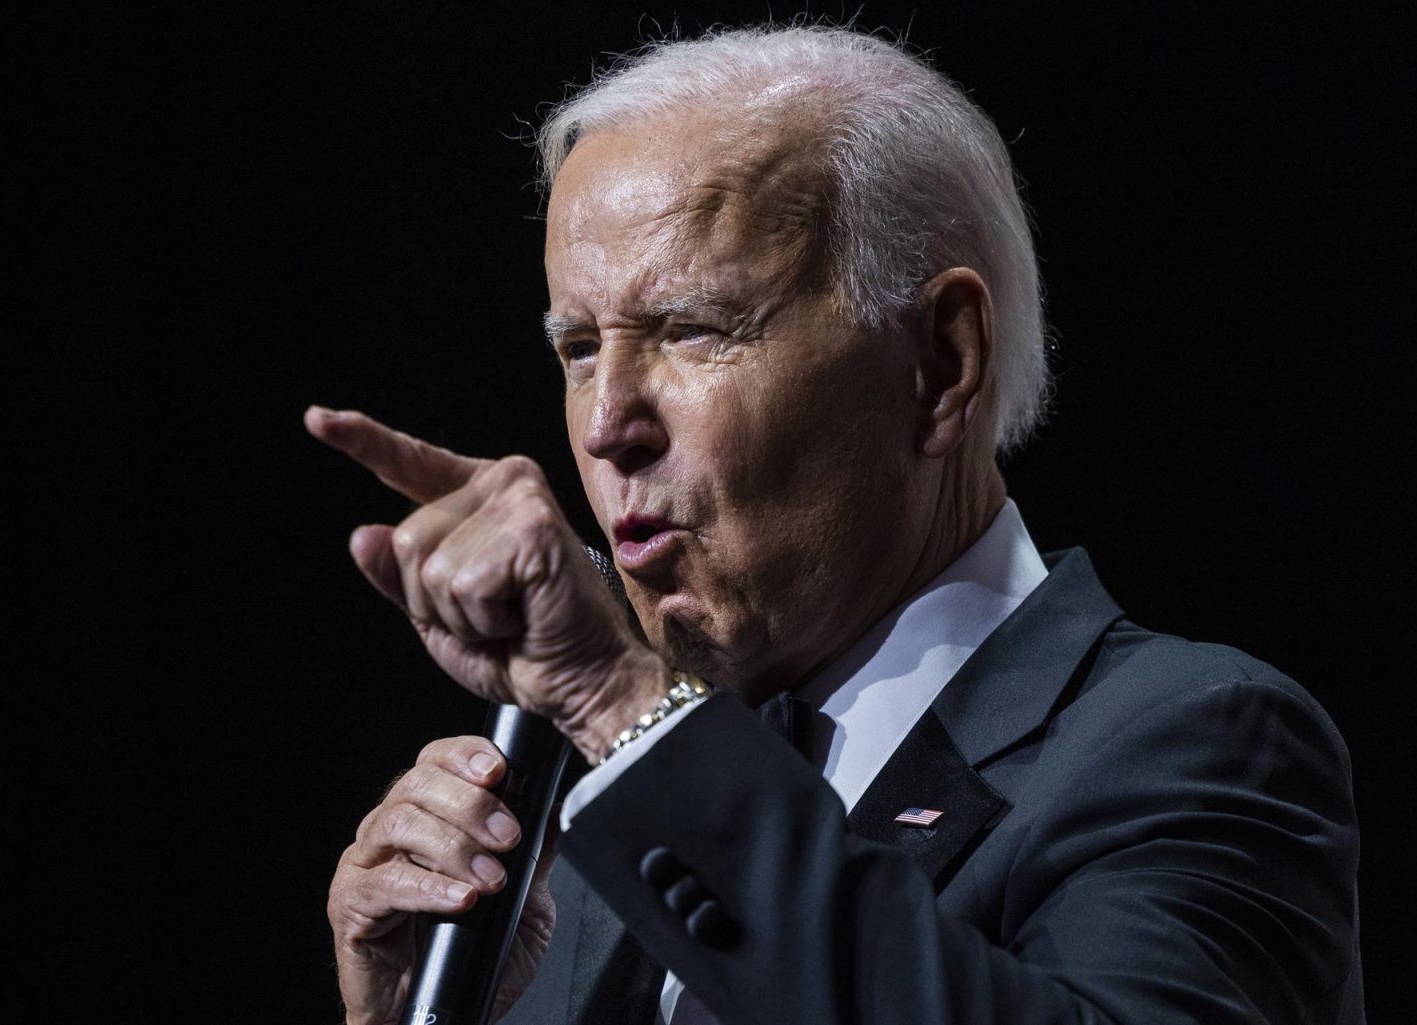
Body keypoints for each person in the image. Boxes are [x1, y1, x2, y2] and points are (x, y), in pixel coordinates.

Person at [309, 25, 1363, 1025]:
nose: (606, 424)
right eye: (580, 348)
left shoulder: (1194, 742)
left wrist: (615, 697)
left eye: (690, 329)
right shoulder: (582, 863)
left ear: (941, 363)